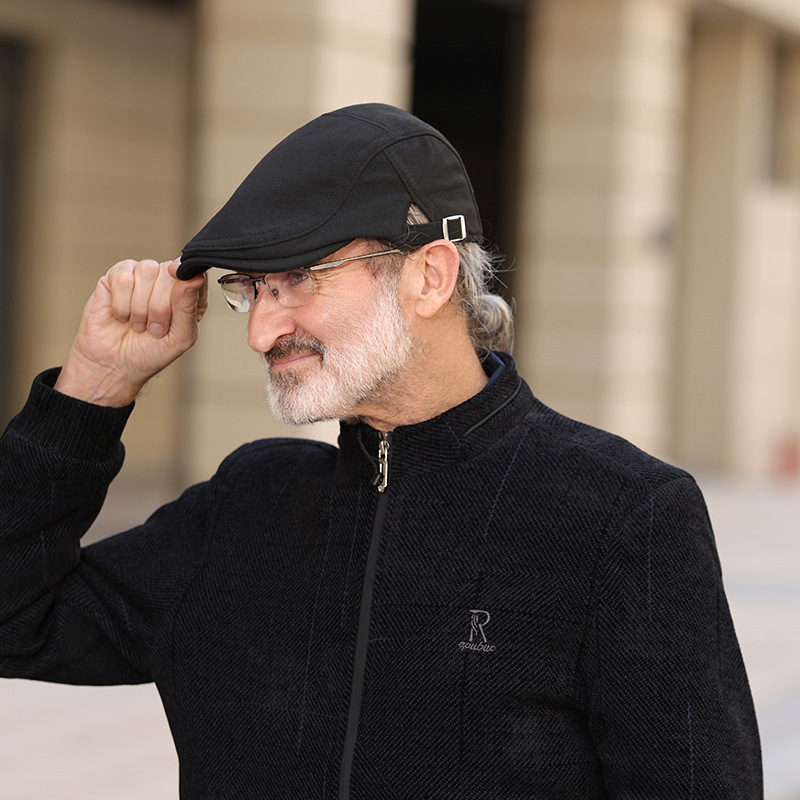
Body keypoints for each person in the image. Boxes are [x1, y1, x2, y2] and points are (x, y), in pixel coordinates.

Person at [0, 103, 761, 798]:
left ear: (430, 275)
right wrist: (92, 389)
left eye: (300, 278)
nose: (262, 331)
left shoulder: (620, 518)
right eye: (254, 289)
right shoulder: (244, 506)